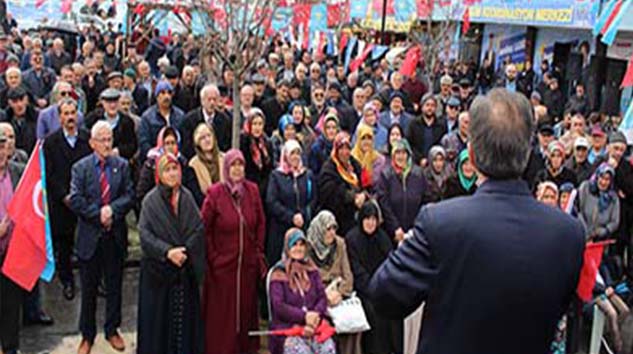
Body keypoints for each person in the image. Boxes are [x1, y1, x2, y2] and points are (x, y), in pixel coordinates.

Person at [367, 89, 585, 354]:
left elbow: (384, 295)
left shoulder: (440, 223)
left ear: (471, 154)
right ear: (527, 153)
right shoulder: (569, 233)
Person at [69, 121, 134, 354]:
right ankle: (87, 335)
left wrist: (112, 211)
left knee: (115, 287)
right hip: (90, 238)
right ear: (92, 143)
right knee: (88, 290)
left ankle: (112, 329)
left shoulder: (122, 165)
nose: (107, 144)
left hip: (114, 237)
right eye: (102, 140)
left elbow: (129, 194)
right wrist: (99, 214)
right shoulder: (80, 168)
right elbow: (75, 199)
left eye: (109, 139)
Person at [137, 153, 205, 354]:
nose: (172, 173)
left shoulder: (187, 197)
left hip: (183, 272)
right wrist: (167, 252)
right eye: (167, 169)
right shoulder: (150, 201)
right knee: (159, 327)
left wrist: (185, 251)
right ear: (159, 173)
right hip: (158, 277)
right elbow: (145, 234)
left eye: (175, 169)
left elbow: (198, 228)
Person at [201, 149, 267, 354]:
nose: (237, 169)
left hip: (247, 266)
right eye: (233, 165)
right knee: (223, 317)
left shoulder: (252, 190)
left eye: (241, 164)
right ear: (226, 168)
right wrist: (214, 258)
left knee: (245, 312)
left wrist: (257, 252)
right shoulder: (215, 193)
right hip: (222, 269)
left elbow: (260, 223)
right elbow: (204, 229)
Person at [43, 98, 92, 300]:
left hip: (84, 202)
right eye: (66, 113)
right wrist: (64, 195)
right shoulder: (51, 142)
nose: (70, 117)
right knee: (64, 247)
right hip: (62, 203)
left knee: (87, 245)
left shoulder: (86, 138)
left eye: (73, 113)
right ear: (60, 116)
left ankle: (91, 283)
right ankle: (67, 282)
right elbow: (50, 174)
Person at [268, 228, 336, 354]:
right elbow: (278, 306)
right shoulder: (278, 273)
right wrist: (304, 317)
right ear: (287, 247)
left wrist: (314, 317)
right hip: (289, 328)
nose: (298, 248)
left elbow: (322, 297)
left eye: (301, 244)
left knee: (328, 349)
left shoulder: (311, 270)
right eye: (294, 244)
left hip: (315, 326)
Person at [346, 202, 402, 354]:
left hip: (383, 286)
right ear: (361, 219)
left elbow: (390, 262)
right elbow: (356, 269)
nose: (370, 223)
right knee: (373, 312)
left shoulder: (382, 237)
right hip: (364, 289)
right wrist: (372, 287)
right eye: (367, 219)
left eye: (373, 219)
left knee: (395, 309)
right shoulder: (352, 239)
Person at [266, 139, 316, 265]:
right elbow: (271, 201)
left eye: (298, 153)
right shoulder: (276, 176)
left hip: (302, 227)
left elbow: (314, 199)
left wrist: (303, 215)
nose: (295, 157)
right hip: (281, 229)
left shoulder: (307, 174)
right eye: (292, 153)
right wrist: (291, 217)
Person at [0, 129, 25, 354]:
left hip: (13, 250)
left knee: (11, 304)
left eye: (1, 146)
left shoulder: (19, 172)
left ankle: (10, 347)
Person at [376, 139, 430, 243]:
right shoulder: (386, 175)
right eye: (397, 153)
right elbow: (384, 203)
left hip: (415, 231)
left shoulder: (418, 174)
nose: (401, 156)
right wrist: (395, 227)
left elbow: (426, 200)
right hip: (392, 233)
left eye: (403, 153)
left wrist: (416, 227)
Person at [318, 132, 365, 235]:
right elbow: (329, 194)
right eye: (341, 149)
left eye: (347, 148)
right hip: (338, 220)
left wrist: (363, 196)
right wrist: (351, 197)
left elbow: (365, 185)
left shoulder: (355, 165)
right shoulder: (329, 169)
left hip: (356, 219)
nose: (345, 152)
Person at [83, 88, 138, 161]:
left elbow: (132, 145)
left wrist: (119, 151)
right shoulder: (93, 119)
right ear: (103, 102)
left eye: (115, 102)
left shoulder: (127, 122)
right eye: (109, 102)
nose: (112, 105)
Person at [138, 81, 186, 163]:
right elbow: (144, 142)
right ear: (157, 96)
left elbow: (185, 139)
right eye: (162, 93)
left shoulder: (180, 115)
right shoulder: (147, 117)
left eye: (169, 93)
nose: (166, 96)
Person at [180, 84, 231, 158]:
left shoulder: (225, 120)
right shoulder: (189, 120)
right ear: (202, 101)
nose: (212, 103)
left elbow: (226, 145)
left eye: (214, 99)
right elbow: (187, 146)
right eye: (209, 99)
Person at [577, 163, 620, 242]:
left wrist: (604, 231)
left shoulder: (613, 198)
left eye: (607, 179)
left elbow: (615, 222)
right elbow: (578, 210)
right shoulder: (585, 187)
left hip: (600, 240)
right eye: (602, 177)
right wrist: (586, 232)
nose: (603, 182)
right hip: (581, 234)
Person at [240, 108, 273, 202]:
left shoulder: (267, 142)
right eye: (254, 124)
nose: (257, 127)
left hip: (264, 188)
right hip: (247, 187)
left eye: (260, 124)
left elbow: (269, 167)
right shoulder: (243, 141)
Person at [407, 94, 447, 166]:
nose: (430, 108)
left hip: (435, 164)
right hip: (416, 163)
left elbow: (442, 144)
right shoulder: (414, 124)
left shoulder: (441, 126)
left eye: (432, 105)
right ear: (422, 107)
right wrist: (420, 159)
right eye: (427, 105)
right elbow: (410, 144)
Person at [188, 123, 224, 198]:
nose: (207, 140)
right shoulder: (193, 164)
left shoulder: (224, 158)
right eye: (203, 138)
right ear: (198, 142)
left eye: (209, 135)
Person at [351, 124, 386, 190]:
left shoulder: (379, 160)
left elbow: (376, 182)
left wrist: (367, 160)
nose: (366, 142)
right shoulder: (351, 158)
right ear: (358, 140)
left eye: (369, 138)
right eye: (363, 138)